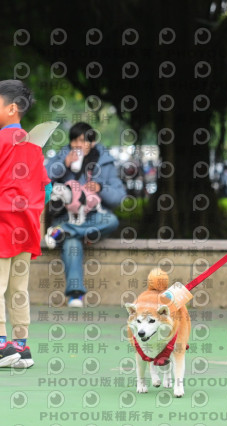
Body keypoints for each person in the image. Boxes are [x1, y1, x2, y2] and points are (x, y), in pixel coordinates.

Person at [45, 122, 126, 308]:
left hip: (94, 217)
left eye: (83, 141)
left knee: (111, 220)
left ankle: (62, 231)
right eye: (74, 141)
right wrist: (63, 165)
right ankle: (76, 295)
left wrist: (100, 188)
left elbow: (119, 197)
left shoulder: (105, 161)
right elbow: (42, 180)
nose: (78, 145)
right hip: (66, 215)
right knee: (71, 242)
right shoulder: (62, 156)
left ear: (93, 142)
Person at [0, 80, 48, 368]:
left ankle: (2, 346)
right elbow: (46, 188)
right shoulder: (32, 145)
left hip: (2, 222)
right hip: (26, 227)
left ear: (12, 108)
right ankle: (21, 346)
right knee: (18, 288)